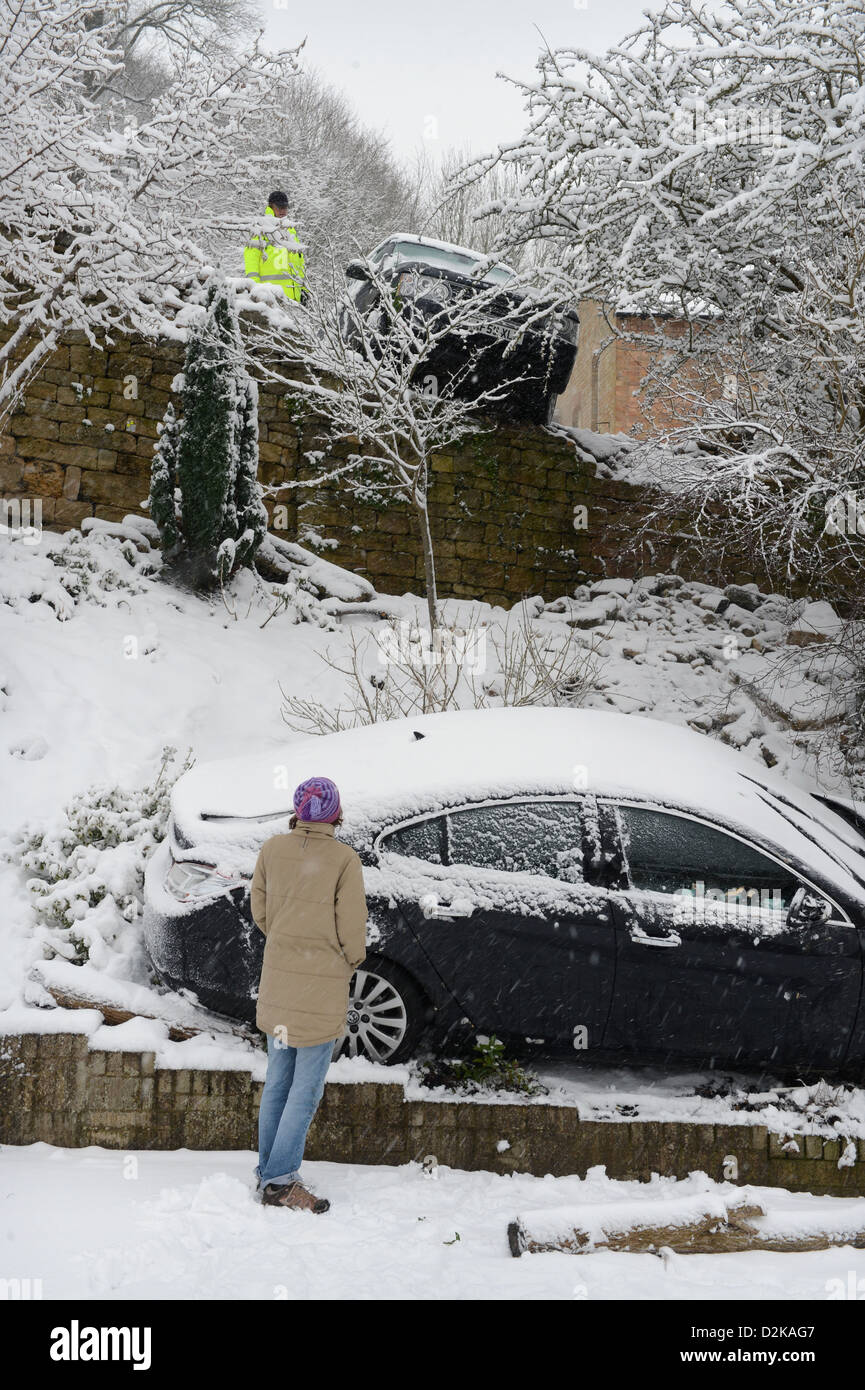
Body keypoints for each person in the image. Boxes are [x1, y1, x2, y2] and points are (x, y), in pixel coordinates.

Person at [250, 776, 367, 1212]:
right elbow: (352, 928)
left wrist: (286, 940)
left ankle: (269, 1172)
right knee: (305, 1089)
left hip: (279, 986)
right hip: (320, 991)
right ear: (336, 813)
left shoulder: (271, 850)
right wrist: (347, 959)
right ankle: (280, 1182)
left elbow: (260, 911)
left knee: (278, 1081)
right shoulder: (343, 860)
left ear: (298, 812)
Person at [243, 190, 305, 302]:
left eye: (285, 207)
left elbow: (299, 263)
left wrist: (303, 289)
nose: (282, 210)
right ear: (270, 207)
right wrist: (255, 290)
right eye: (279, 207)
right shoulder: (261, 230)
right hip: (269, 297)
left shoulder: (290, 231)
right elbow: (251, 263)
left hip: (293, 298)